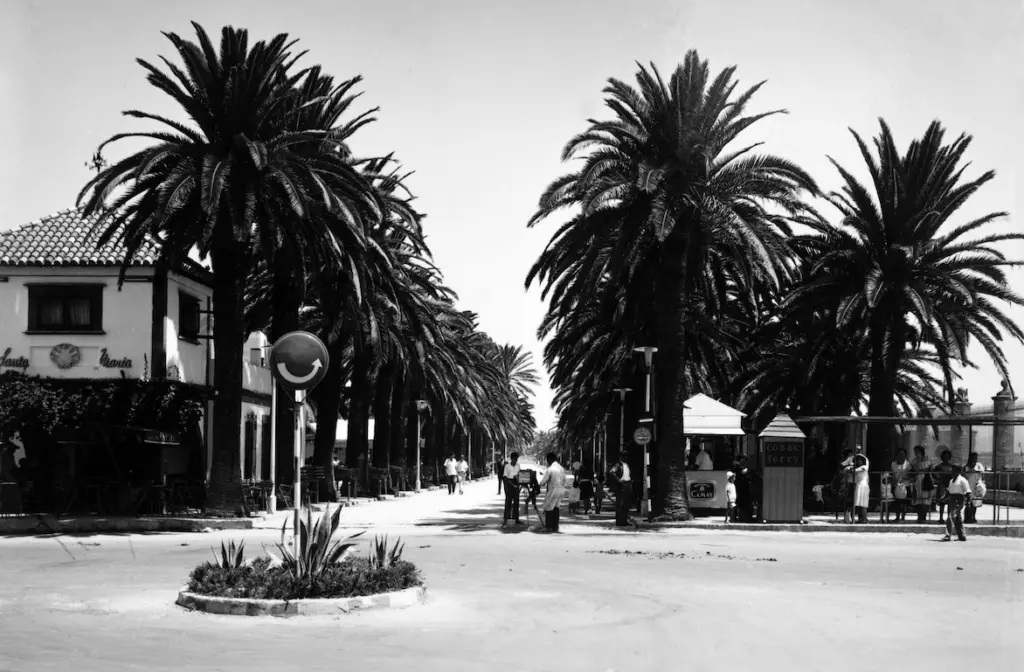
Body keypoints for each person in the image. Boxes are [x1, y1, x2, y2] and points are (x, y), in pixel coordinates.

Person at [538, 452, 566, 532]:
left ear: (549, 459)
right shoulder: (561, 468)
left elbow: (543, 482)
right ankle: (555, 526)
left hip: (553, 489)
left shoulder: (550, 469)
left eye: (547, 460)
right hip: (561, 489)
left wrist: (539, 485)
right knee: (556, 507)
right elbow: (564, 479)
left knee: (549, 507)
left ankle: (549, 526)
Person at [941, 464, 970, 542]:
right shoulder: (952, 480)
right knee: (958, 518)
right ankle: (962, 535)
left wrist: (968, 501)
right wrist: (943, 498)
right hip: (952, 500)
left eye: (954, 470)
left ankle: (948, 535)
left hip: (959, 500)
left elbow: (967, 491)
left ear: (958, 471)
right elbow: (949, 491)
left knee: (951, 517)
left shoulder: (962, 480)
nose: (952, 472)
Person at [910, 445, 934, 522]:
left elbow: (929, 469)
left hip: (926, 480)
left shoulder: (928, 460)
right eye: (915, 452)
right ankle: (919, 516)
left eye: (917, 451)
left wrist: (923, 470)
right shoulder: (914, 461)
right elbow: (915, 469)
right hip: (918, 481)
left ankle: (924, 516)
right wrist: (919, 460)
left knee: (926, 500)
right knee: (918, 500)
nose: (916, 453)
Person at [608, 454, 633, 527]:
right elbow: (611, 472)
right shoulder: (618, 465)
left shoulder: (627, 465)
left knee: (626, 504)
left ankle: (624, 520)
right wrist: (618, 480)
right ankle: (619, 521)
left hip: (628, 484)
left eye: (626, 456)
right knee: (620, 504)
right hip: (621, 485)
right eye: (624, 456)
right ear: (621, 457)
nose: (625, 458)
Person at [501, 452, 523, 527]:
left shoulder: (518, 466)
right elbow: (505, 477)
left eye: (516, 459)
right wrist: (512, 485)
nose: (515, 461)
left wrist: (519, 484)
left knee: (516, 502)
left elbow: (520, 475)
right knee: (508, 502)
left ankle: (516, 518)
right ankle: (506, 519)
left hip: (516, 483)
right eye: (514, 459)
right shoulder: (507, 466)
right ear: (511, 459)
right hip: (509, 483)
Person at [890, 448, 912, 522]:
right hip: (896, 485)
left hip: (905, 485)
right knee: (897, 502)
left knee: (905, 502)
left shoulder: (908, 464)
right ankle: (897, 517)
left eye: (903, 454)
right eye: (900, 454)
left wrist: (903, 478)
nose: (901, 456)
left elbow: (910, 474)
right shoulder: (893, 464)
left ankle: (903, 517)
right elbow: (892, 474)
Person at [963, 452, 986, 524]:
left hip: (977, 486)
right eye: (973, 458)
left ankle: (973, 517)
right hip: (969, 486)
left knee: (975, 503)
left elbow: (982, 475)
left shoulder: (979, 466)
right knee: (968, 503)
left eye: (976, 458)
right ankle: (967, 518)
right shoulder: (966, 467)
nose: (974, 459)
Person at [933, 450, 954, 523]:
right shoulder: (939, 466)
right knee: (942, 502)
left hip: (950, 485)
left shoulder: (952, 466)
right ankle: (941, 518)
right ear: (942, 457)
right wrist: (939, 478)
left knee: (949, 502)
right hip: (942, 485)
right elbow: (934, 474)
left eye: (948, 457)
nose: (946, 458)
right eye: (945, 456)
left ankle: (949, 517)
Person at [851, 453, 870, 523]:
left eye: (859, 460)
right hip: (858, 485)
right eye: (857, 460)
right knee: (857, 502)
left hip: (864, 486)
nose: (858, 462)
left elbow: (857, 470)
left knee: (864, 503)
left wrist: (852, 469)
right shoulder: (856, 469)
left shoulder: (864, 467)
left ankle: (864, 519)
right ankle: (858, 518)